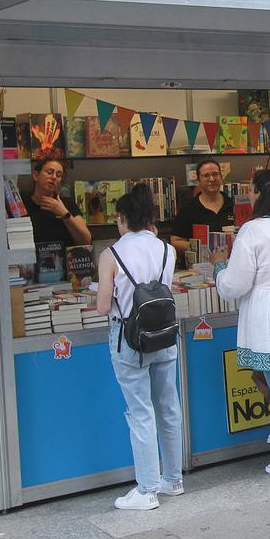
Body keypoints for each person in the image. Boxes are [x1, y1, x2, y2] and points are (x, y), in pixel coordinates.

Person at [93, 184, 181, 511]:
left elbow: (103, 306)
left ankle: (147, 490)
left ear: (121, 218)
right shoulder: (166, 250)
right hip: (163, 335)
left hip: (129, 340)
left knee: (140, 412)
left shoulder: (111, 254)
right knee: (168, 406)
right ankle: (174, 479)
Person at [213, 169, 270, 476]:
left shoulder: (251, 231)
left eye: (251, 190)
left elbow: (236, 284)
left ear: (260, 194)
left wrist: (219, 272)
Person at [23, 159, 92, 279]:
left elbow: (85, 240)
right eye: (49, 172)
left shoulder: (67, 204)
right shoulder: (22, 204)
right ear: (36, 175)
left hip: (63, 274)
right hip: (29, 272)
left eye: (59, 175)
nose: (54, 177)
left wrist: (64, 213)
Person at [171, 159, 235, 257]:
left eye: (215, 174)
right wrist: (201, 248)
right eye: (206, 175)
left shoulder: (233, 205)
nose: (212, 179)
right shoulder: (188, 209)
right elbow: (175, 241)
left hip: (232, 264)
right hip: (200, 267)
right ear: (198, 181)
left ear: (221, 178)